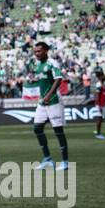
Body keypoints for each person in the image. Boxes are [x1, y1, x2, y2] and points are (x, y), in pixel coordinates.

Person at [27, 42, 69, 170]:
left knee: (58, 131)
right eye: (35, 52)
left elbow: (58, 79)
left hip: (53, 101)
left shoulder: (52, 63)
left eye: (39, 51)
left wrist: (48, 96)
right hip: (42, 102)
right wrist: (34, 80)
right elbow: (43, 78)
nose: (37, 54)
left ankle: (65, 162)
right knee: (37, 129)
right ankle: (47, 159)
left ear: (46, 51)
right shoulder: (37, 64)